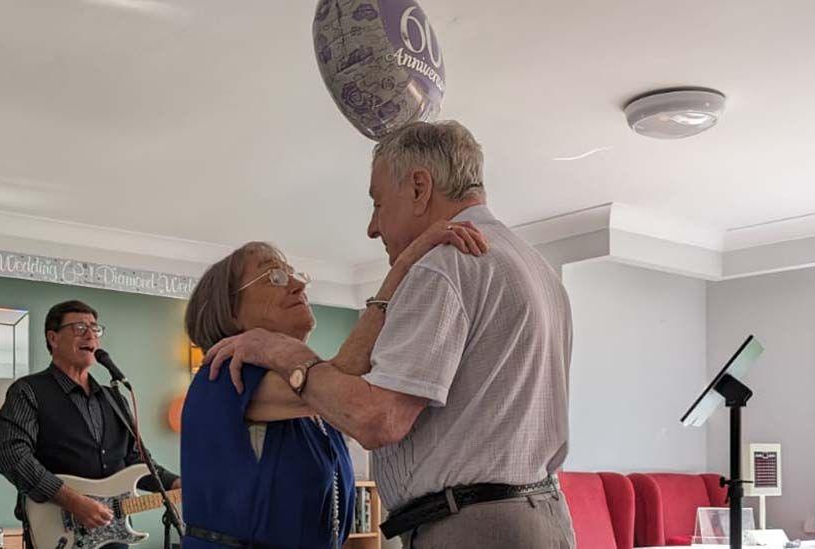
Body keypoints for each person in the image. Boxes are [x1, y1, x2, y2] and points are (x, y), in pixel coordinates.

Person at [204, 120, 574, 548]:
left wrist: (282, 352)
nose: (372, 227)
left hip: (474, 528)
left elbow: (378, 418)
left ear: (420, 188)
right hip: (542, 518)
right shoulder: (537, 268)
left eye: (378, 204)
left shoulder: (445, 264)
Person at [180, 233, 482, 549]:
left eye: (294, 273)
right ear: (231, 311)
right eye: (274, 276)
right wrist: (405, 262)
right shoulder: (225, 374)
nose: (298, 284)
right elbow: (348, 370)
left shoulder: (310, 400)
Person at [0, 300, 180, 548]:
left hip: (113, 532)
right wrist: (72, 501)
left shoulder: (115, 399)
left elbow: (136, 459)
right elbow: (12, 456)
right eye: (80, 327)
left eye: (95, 328)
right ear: (53, 338)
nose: (91, 334)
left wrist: (174, 483)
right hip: (59, 534)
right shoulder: (28, 391)